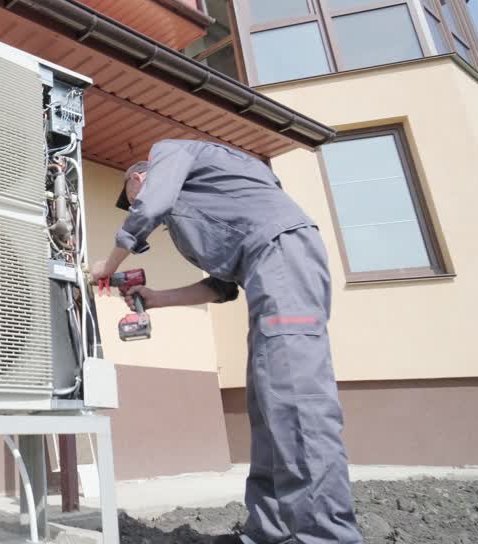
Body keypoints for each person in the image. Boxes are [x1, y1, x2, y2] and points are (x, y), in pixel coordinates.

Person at [90, 138, 363, 544]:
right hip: (266, 270)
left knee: (295, 402)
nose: (137, 208)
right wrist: (157, 299)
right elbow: (222, 287)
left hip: (281, 258)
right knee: (270, 404)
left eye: (132, 199)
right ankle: (270, 533)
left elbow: (149, 207)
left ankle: (326, 537)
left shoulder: (169, 153)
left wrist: (107, 264)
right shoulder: (208, 200)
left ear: (139, 179)